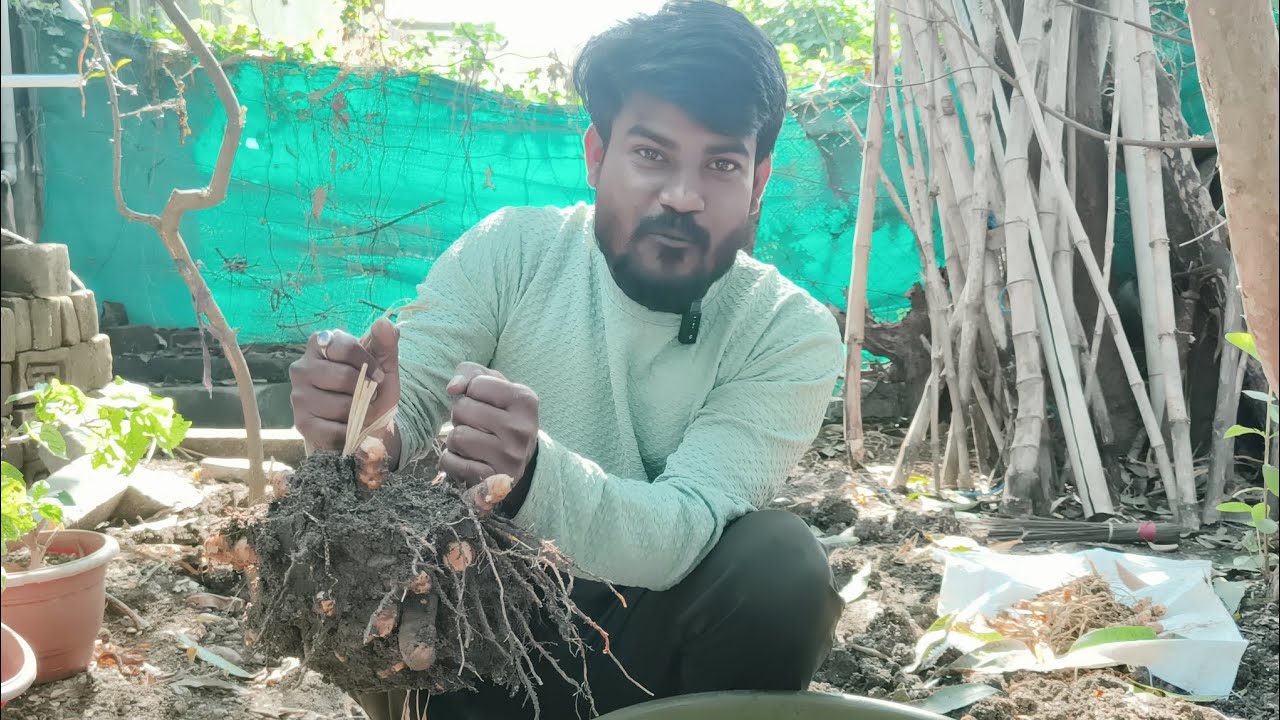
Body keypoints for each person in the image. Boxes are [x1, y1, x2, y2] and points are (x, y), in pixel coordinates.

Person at [288, 2, 844, 717]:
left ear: (758, 182)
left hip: (655, 649)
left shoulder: (786, 329)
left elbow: (685, 526)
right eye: (651, 154)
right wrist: (361, 421)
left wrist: (531, 479)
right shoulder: (511, 252)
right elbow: (412, 397)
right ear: (596, 155)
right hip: (485, 628)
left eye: (721, 164)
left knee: (779, 566)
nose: (682, 196)